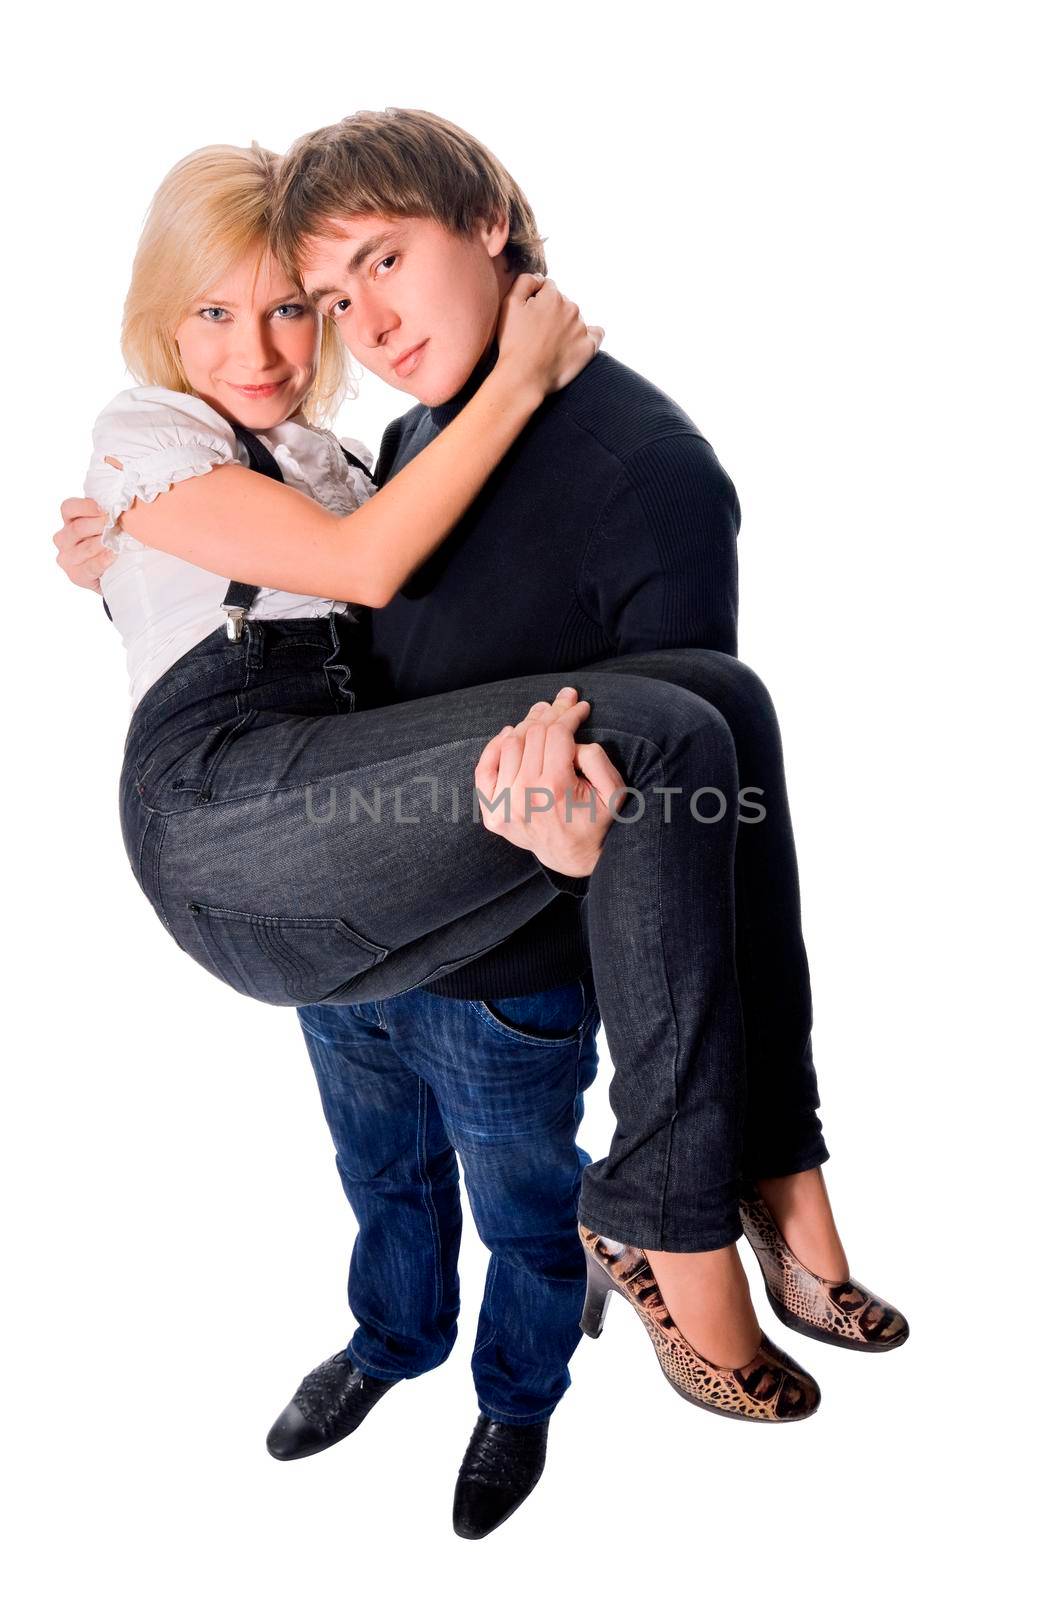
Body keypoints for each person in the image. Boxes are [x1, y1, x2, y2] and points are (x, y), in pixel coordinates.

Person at [55, 113, 908, 1540]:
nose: (274, 341)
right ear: (162, 318)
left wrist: (575, 843)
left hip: (400, 874)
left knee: (716, 717)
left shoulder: (354, 455)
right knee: (387, 1174)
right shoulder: (168, 436)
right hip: (232, 810)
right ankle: (440, 1323)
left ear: (488, 230)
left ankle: (551, 1365)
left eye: (305, 303)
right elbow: (353, 575)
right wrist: (520, 369)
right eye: (230, 308)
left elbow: (646, 828)